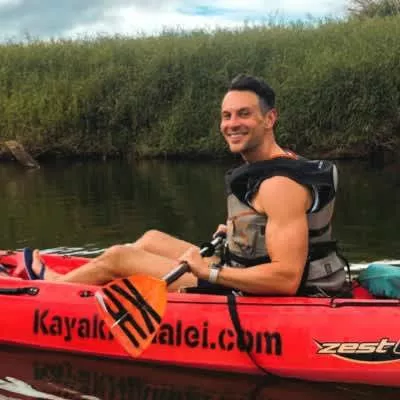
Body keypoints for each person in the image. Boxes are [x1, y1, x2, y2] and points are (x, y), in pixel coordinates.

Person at [27, 74, 347, 296]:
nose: (232, 124)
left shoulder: (279, 184)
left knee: (118, 257)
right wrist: (240, 233)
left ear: (269, 119)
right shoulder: (287, 163)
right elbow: (279, 230)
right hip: (245, 269)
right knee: (151, 239)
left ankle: (52, 289)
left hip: (260, 292)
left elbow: (286, 279)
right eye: (226, 116)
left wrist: (209, 273)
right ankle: (95, 282)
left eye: (244, 114)